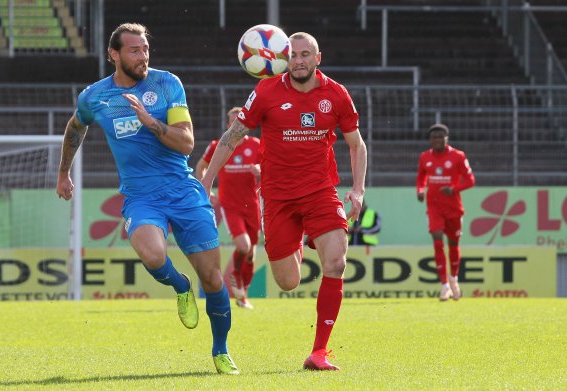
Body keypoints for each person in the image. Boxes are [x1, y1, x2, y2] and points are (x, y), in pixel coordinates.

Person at [55, 23, 239, 375]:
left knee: (213, 278)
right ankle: (181, 286)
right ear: (114, 54)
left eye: (145, 50)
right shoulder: (95, 97)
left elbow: (186, 143)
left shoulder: (167, 84)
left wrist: (150, 121)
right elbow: (75, 127)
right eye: (134, 51)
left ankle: (220, 350)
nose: (143, 57)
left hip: (182, 190)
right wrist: (63, 172)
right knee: (153, 255)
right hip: (141, 197)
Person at [201, 32, 367, 371]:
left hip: (321, 191)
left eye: (306, 54)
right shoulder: (266, 91)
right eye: (293, 55)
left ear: (318, 58)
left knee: (335, 263)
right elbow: (232, 137)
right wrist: (205, 181)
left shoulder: (336, 94)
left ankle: (319, 352)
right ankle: (301, 240)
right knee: (287, 282)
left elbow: (357, 145)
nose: (299, 60)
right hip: (277, 197)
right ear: (282, 58)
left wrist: (358, 189)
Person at [195, 107, 261, 310]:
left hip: (253, 205)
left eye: (240, 122)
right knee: (243, 246)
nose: (237, 125)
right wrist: (206, 187)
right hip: (230, 206)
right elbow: (200, 167)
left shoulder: (256, 146)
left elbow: (272, 168)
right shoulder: (218, 145)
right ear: (227, 125)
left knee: (251, 255)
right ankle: (234, 277)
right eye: (233, 122)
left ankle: (242, 295)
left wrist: (260, 170)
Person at [416, 123, 475, 302]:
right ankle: (444, 286)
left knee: (453, 244)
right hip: (434, 206)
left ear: (446, 138)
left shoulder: (458, 156)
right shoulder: (425, 156)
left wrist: (454, 189)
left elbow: (470, 180)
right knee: (437, 238)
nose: (437, 140)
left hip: (453, 208)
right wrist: (420, 190)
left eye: (441, 137)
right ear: (430, 140)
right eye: (434, 137)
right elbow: (421, 176)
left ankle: (454, 279)